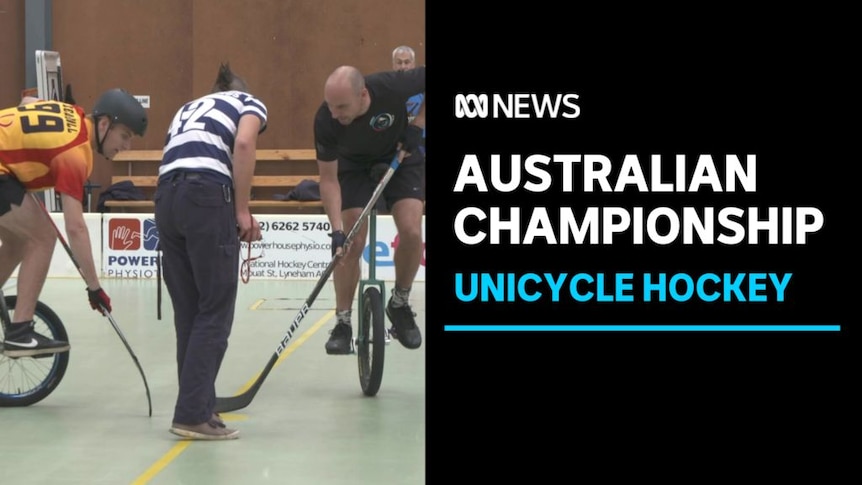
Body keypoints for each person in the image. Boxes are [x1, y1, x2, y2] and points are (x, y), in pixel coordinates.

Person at [155, 63, 265, 440]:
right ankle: (192, 414)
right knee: (215, 308)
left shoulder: (186, 108)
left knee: (189, 312)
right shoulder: (248, 101)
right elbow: (246, 144)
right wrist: (242, 210)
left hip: (166, 198)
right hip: (205, 193)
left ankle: (197, 406)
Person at [1, 89, 146, 357]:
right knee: (43, 236)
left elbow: (28, 102)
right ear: (104, 125)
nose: (127, 146)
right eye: (124, 136)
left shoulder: (71, 115)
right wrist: (94, 287)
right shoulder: (75, 154)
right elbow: (75, 227)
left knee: (18, 240)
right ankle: (20, 333)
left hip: (5, 172)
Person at [315, 65, 425, 355]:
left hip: (401, 155)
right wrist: (337, 230)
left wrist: (418, 125)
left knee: (412, 231)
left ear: (363, 94)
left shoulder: (392, 86)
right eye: (330, 105)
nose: (336, 114)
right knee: (351, 243)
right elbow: (328, 180)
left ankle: (399, 304)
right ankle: (342, 322)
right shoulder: (326, 121)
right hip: (353, 168)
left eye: (342, 106)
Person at [391, 45, 425, 156]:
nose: (403, 66)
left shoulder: (423, 90)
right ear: (393, 65)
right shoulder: (387, 90)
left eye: (407, 62)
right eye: (399, 62)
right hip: (398, 146)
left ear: (413, 64)